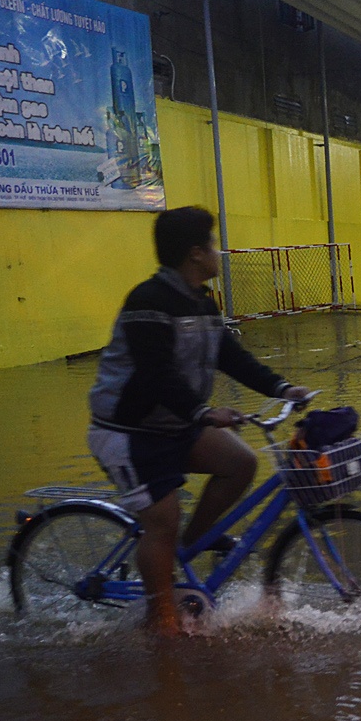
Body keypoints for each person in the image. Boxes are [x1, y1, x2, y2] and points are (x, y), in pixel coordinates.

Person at [88, 206, 311, 636]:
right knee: (162, 520)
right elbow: (156, 376)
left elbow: (230, 356)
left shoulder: (201, 302)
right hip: (128, 431)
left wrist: (282, 389)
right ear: (194, 254)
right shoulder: (147, 302)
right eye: (212, 243)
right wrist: (204, 413)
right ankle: (162, 623)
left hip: (174, 424)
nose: (218, 252)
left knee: (241, 463)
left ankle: (190, 546)